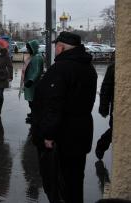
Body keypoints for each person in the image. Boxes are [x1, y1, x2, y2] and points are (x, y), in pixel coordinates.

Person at [32, 31, 97, 203]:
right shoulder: (88, 67)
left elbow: (53, 105)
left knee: (58, 184)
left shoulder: (60, 69)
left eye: (56, 46)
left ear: (60, 47)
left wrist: (48, 135)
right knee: (75, 181)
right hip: (81, 133)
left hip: (62, 137)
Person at [96, 59, 115, 160]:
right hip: (117, 108)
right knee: (115, 130)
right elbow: (106, 88)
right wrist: (104, 108)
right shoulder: (114, 67)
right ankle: (101, 145)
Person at [22, 40, 44, 123]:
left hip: (33, 83)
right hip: (29, 82)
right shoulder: (32, 56)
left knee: (33, 101)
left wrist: (31, 80)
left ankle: (35, 116)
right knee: (30, 100)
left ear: (33, 48)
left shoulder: (37, 58)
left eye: (28, 48)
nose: (27, 50)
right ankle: (33, 113)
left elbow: (37, 71)